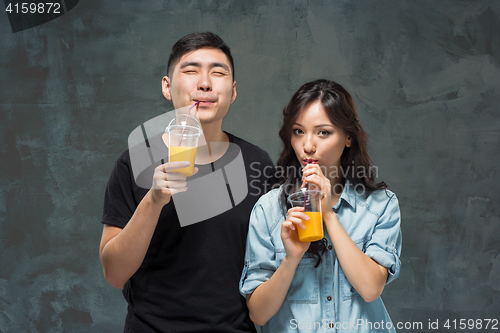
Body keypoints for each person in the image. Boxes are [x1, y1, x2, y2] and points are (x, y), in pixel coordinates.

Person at [99, 32, 275, 333]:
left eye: (218, 73)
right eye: (191, 71)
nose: (204, 83)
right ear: (167, 87)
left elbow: (270, 267)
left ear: (232, 92)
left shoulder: (258, 164)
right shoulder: (134, 161)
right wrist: (154, 199)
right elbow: (114, 274)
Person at [239, 79, 402, 332]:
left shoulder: (380, 205)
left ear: (348, 137)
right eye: (298, 131)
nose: (307, 146)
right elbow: (259, 315)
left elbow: (371, 289)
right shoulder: (269, 209)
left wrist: (328, 215)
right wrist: (291, 260)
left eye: (323, 132)